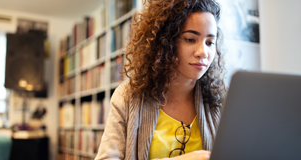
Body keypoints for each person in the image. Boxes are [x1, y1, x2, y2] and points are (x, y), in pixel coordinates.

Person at [96, 0, 226, 159]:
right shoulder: (127, 97)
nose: (203, 52)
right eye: (190, 39)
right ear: (165, 41)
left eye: (210, 42)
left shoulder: (221, 101)